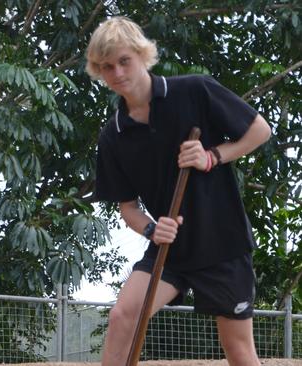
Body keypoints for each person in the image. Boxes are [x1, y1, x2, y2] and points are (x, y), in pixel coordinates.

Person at [86, 17, 271, 365]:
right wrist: (153, 229)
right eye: (107, 67)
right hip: (170, 249)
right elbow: (128, 208)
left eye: (124, 60)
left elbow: (260, 131)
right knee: (122, 317)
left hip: (223, 243)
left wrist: (212, 156)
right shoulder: (113, 135)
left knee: (238, 349)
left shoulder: (194, 90)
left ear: (142, 55)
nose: (118, 73)